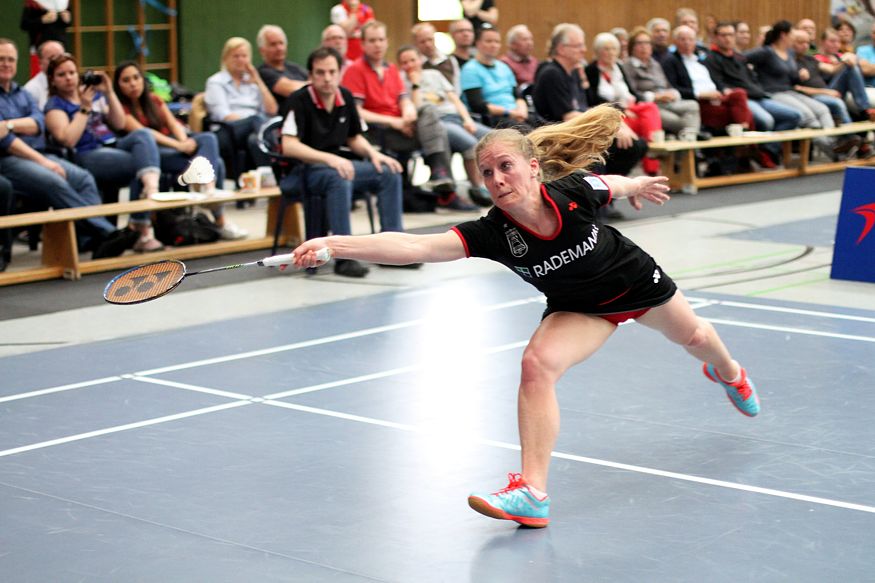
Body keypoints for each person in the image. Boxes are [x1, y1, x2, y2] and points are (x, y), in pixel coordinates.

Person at [289, 104, 761, 528]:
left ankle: (731, 373)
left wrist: (636, 184)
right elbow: (417, 245)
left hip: (633, 282)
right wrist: (334, 244)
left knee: (695, 336)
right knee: (536, 365)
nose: (496, 179)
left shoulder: (571, 191)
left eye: (505, 167)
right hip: (579, 308)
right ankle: (533, 493)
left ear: (534, 169)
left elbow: (609, 184)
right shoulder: (492, 232)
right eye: (486, 172)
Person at [0, 39, 137, 259]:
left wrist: (9, 125)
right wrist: (43, 160)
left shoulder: (21, 93)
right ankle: (107, 232)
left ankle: (91, 241)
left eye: (10, 59)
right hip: (9, 159)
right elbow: (6, 142)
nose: (6, 64)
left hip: (40, 154)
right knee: (53, 181)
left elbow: (39, 123)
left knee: (83, 179)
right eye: (1, 59)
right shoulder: (47, 98)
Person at [281, 47, 405, 278]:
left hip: (338, 167)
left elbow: (354, 137)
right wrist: (330, 158)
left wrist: (374, 154)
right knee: (340, 176)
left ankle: (393, 252)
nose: (326, 78)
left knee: (389, 172)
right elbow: (289, 145)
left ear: (339, 73)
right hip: (305, 171)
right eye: (320, 72)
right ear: (311, 75)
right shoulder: (298, 100)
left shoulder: (345, 97)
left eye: (331, 72)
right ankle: (344, 258)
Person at [43, 52, 164, 252]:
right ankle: (141, 229)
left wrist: (109, 93)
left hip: (112, 145)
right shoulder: (55, 106)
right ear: (53, 80)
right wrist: (84, 109)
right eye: (61, 74)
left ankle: (151, 188)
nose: (68, 78)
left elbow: (119, 123)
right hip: (87, 153)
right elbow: (68, 139)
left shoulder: (92, 93)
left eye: (72, 72)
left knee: (142, 135)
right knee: (139, 166)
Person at [112, 60, 247, 240]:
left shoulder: (153, 100)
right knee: (219, 164)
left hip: (175, 146)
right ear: (118, 85)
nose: (133, 84)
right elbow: (144, 133)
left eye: (136, 78)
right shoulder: (120, 109)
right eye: (126, 80)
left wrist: (185, 140)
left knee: (208, 138)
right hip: (152, 155)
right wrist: (179, 145)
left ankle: (209, 188)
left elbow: (173, 123)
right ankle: (219, 218)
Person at [342, 20, 461, 209]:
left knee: (428, 111)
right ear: (363, 44)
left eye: (381, 39)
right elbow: (356, 112)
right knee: (438, 130)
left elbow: (404, 100)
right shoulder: (355, 70)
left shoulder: (391, 69)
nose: (377, 44)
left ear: (387, 42)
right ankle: (442, 178)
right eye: (372, 40)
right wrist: (395, 122)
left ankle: (440, 176)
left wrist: (408, 115)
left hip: (403, 126)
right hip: (377, 132)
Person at [533, 23, 646, 221]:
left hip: (576, 132)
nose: (584, 50)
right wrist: (607, 128)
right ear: (562, 49)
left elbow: (586, 107)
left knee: (635, 146)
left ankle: (605, 197)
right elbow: (568, 116)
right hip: (557, 136)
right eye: (578, 46)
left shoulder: (574, 73)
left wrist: (616, 123)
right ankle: (596, 204)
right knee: (597, 153)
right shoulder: (552, 73)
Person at [746, 21, 856, 158]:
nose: (793, 38)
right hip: (773, 93)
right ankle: (832, 148)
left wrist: (799, 76)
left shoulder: (789, 53)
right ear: (783, 35)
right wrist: (750, 77)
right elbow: (740, 59)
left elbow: (791, 78)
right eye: (792, 34)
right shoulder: (766, 51)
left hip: (790, 91)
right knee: (808, 117)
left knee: (822, 109)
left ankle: (832, 142)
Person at [397, 44, 488, 208]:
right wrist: (416, 84)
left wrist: (467, 119)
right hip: (436, 122)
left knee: (493, 137)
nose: (410, 65)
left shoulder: (434, 74)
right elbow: (418, 109)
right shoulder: (401, 82)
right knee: (471, 145)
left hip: (456, 117)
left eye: (413, 60)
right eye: (404, 62)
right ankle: (477, 189)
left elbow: (454, 99)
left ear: (420, 60)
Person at [706, 21, 802, 165]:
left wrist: (759, 89)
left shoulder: (739, 57)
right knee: (766, 120)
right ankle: (762, 151)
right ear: (715, 37)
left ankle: (767, 149)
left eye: (730, 35)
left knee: (794, 116)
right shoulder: (711, 59)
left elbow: (752, 77)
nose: (727, 38)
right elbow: (718, 84)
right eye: (723, 35)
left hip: (759, 96)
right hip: (742, 100)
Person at [585, 32, 663, 176]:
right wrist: (622, 109)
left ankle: (653, 158)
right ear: (597, 52)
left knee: (651, 108)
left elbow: (632, 92)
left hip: (629, 108)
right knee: (644, 117)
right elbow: (593, 100)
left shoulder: (619, 68)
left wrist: (643, 100)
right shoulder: (591, 71)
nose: (610, 53)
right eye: (606, 49)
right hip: (611, 114)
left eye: (613, 49)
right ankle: (651, 163)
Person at [205, 37, 278, 185]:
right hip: (225, 131)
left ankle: (268, 180)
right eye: (236, 56)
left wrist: (258, 80)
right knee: (258, 121)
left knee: (254, 140)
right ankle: (279, 168)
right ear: (225, 58)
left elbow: (272, 110)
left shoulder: (251, 83)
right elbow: (223, 114)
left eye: (244, 56)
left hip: (252, 130)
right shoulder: (216, 82)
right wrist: (250, 121)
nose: (240, 60)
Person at [666, 25, 754, 133]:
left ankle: (744, 135)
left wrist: (724, 90)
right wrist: (700, 94)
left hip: (717, 96)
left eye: (690, 39)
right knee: (745, 114)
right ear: (675, 41)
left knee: (739, 94)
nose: (687, 42)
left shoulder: (700, 59)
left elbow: (714, 79)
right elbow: (674, 88)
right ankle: (746, 138)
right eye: (683, 39)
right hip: (700, 101)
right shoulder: (671, 61)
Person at [622, 28, 701, 137]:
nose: (644, 46)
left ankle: (689, 135)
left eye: (647, 43)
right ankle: (692, 136)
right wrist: (655, 97)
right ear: (632, 47)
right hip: (650, 105)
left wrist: (672, 94)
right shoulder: (627, 66)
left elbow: (668, 85)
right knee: (681, 121)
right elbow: (633, 92)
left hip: (667, 102)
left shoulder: (655, 64)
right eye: (640, 43)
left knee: (693, 105)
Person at [460, 25, 534, 128]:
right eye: (489, 41)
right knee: (530, 134)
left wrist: (522, 111)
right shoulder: (469, 69)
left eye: (497, 42)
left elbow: (518, 96)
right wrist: (510, 113)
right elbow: (478, 105)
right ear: (477, 43)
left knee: (549, 129)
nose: (493, 45)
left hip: (517, 114)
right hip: (494, 118)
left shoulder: (503, 67)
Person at [814, 27, 875, 120]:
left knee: (853, 67)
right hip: (826, 92)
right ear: (823, 42)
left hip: (843, 92)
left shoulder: (841, 56)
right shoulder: (816, 58)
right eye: (832, 41)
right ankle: (864, 109)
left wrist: (852, 57)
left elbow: (864, 65)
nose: (836, 44)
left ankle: (864, 110)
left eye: (838, 42)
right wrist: (845, 60)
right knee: (849, 67)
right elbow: (832, 70)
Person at [256, 25, 308, 106]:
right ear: (262, 50)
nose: (279, 48)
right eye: (273, 44)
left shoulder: (294, 68)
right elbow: (291, 90)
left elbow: (315, 80)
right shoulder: (263, 72)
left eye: (281, 43)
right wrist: (314, 85)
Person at [19, 0, 70, 76]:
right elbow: (24, 24)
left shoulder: (64, 2)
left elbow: (65, 24)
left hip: (61, 45)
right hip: (40, 46)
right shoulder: (33, 3)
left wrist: (67, 20)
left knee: (61, 75)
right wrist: (42, 20)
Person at [412, 22, 462, 92]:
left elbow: (457, 87)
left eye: (430, 39)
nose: (428, 44)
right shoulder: (415, 65)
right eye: (422, 42)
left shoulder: (450, 60)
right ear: (416, 43)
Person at [23, 39, 63, 109]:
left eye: (61, 57)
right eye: (52, 58)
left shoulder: (72, 82)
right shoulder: (31, 89)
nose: (58, 62)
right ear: (40, 63)